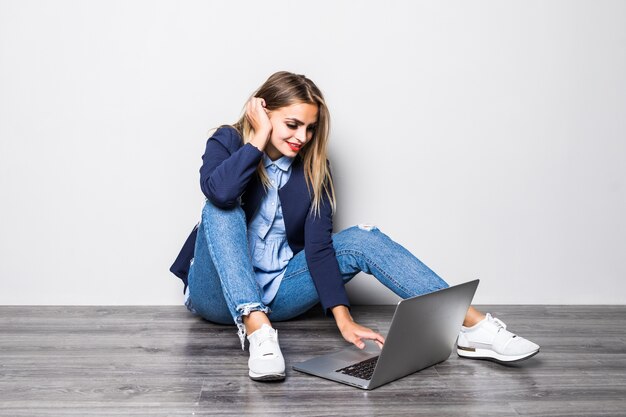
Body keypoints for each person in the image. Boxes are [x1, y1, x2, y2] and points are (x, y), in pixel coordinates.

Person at [170, 71, 540, 382]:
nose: (302, 137)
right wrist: (256, 140)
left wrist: (343, 319)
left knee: (360, 237)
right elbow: (219, 191)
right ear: (263, 113)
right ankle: (258, 331)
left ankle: (473, 327)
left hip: (280, 292)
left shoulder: (315, 168)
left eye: (310, 128)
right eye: (292, 124)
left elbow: (318, 248)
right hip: (216, 295)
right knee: (221, 208)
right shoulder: (229, 140)